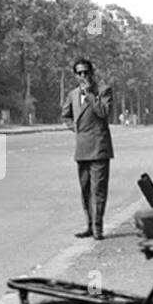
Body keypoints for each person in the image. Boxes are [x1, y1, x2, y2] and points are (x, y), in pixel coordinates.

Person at [60, 58, 113, 240]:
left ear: (92, 72)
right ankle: (89, 225)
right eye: (79, 73)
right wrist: (75, 127)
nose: (83, 76)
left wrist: (90, 95)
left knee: (98, 189)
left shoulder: (103, 90)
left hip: (99, 147)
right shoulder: (73, 94)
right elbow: (65, 115)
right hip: (82, 147)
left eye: (86, 72)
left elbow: (104, 113)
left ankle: (98, 228)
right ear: (75, 75)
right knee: (85, 189)